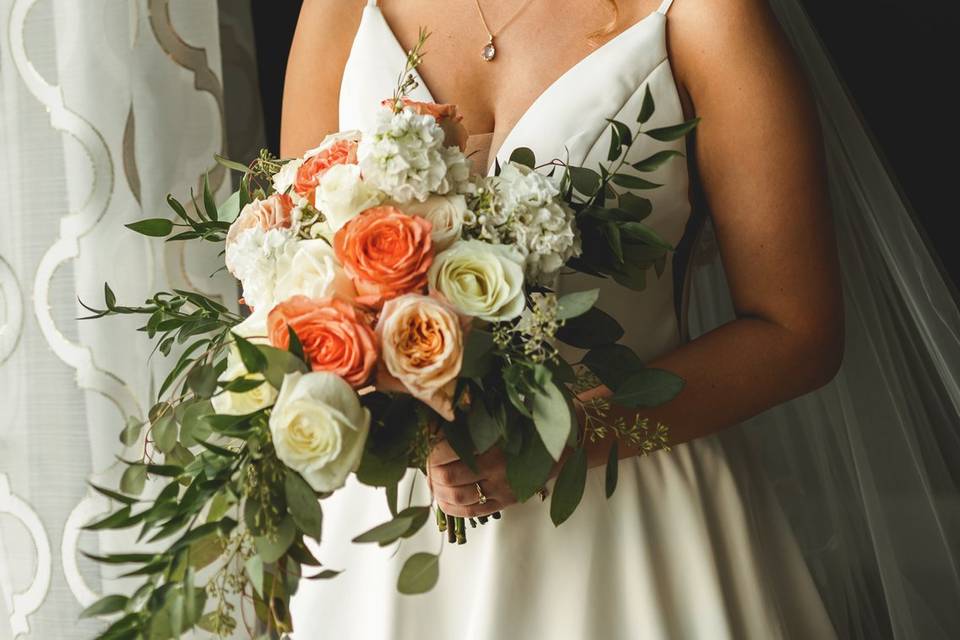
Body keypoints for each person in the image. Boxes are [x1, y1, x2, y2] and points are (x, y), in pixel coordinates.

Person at [279, 0, 959, 638]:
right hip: (389, 528)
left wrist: (563, 438)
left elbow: (798, 333)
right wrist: (411, 420)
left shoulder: (702, 17)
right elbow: (291, 274)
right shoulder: (343, 8)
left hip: (632, 507)